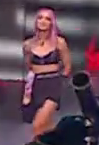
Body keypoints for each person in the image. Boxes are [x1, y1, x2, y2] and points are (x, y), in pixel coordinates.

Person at [21, 7, 72, 136]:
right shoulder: (28, 45)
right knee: (45, 127)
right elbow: (29, 66)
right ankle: (55, 143)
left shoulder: (60, 43)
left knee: (38, 125)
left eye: (47, 19)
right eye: (40, 18)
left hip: (52, 84)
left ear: (52, 23)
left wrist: (59, 82)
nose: (43, 21)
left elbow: (67, 67)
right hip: (36, 84)